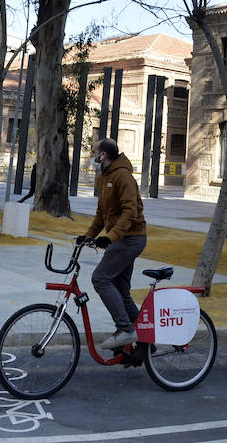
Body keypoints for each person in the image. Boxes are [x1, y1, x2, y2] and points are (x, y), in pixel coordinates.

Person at [79, 139, 148, 351]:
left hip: (132, 237)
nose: (92, 156)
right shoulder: (103, 178)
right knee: (120, 289)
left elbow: (131, 212)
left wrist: (110, 238)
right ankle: (145, 342)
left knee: (100, 278)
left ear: (105, 155)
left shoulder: (123, 176)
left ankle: (125, 329)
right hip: (121, 238)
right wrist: (88, 236)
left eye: (94, 152)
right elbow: (102, 213)